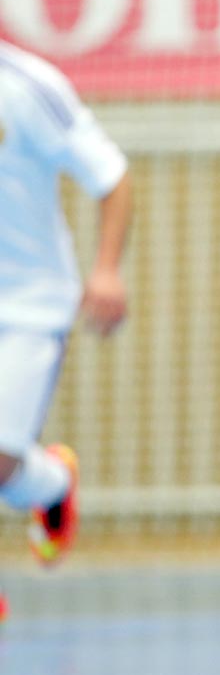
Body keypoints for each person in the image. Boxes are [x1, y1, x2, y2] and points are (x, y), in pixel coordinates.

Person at [0, 40, 132, 622]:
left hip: (28, 305)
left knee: (2, 466)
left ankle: (52, 480)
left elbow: (113, 176)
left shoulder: (29, 85)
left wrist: (105, 270)